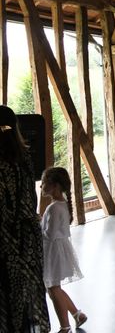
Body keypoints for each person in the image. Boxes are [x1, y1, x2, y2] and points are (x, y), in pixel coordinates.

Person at [0, 105, 50, 333]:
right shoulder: (25, 159)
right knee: (24, 295)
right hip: (28, 239)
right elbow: (28, 200)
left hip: (6, 240)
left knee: (6, 298)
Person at [40, 167, 87, 332]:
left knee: (53, 289)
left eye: (44, 183)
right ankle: (77, 315)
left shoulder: (54, 208)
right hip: (58, 251)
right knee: (54, 288)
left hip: (53, 252)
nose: (41, 186)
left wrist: (36, 224)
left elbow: (49, 235)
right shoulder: (61, 204)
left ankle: (65, 326)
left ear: (55, 186)